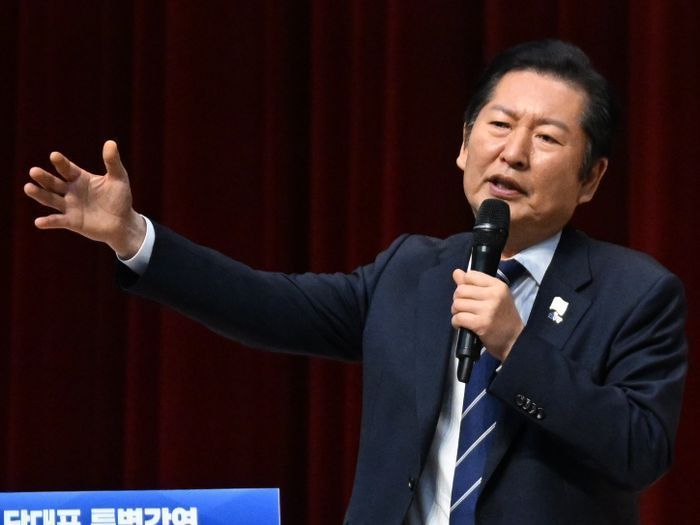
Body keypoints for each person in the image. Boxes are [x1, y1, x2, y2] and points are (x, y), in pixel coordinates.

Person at [24, 40, 687, 525]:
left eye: (546, 138)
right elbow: (266, 305)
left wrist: (517, 347)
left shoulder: (636, 293)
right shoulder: (411, 272)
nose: (512, 153)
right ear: (464, 144)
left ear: (591, 178)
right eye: (500, 125)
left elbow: (640, 451)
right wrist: (132, 236)